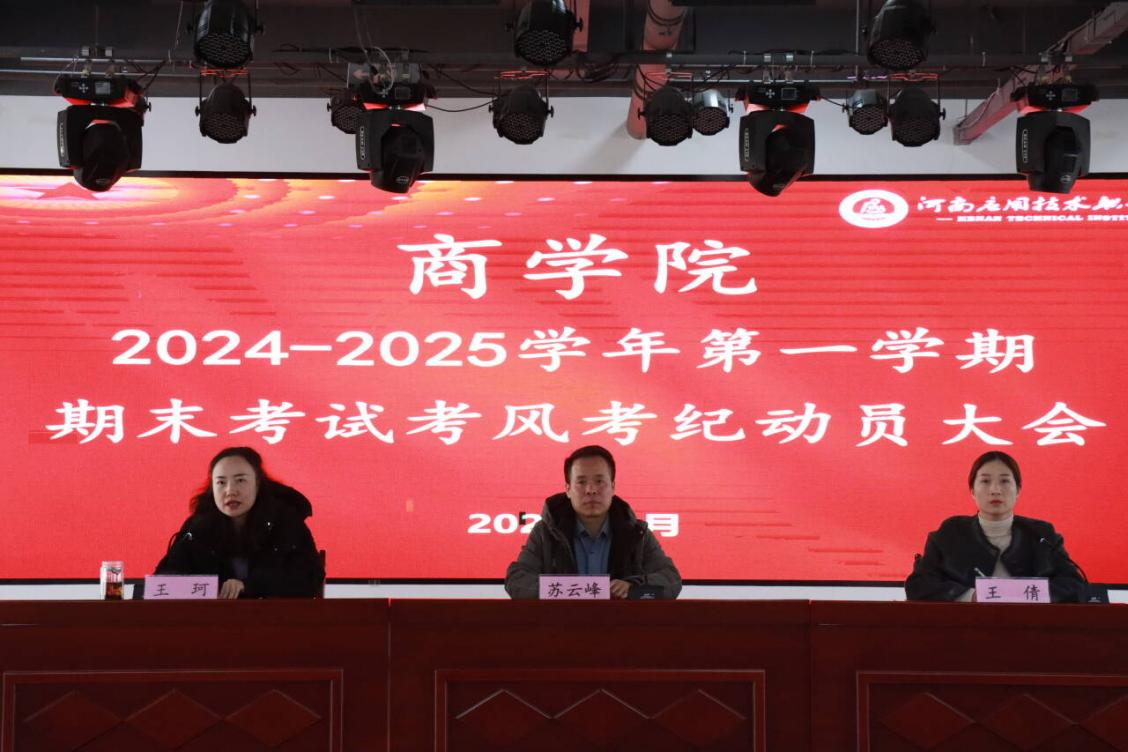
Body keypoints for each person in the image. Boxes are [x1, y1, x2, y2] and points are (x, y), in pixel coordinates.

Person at [905, 451, 1085, 603]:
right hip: (966, 628)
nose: (995, 490)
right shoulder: (951, 533)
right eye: (985, 481)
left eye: (1005, 481)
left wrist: (1025, 595)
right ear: (972, 491)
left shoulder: (1041, 534)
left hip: (1031, 628)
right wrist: (972, 596)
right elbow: (918, 585)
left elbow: (1075, 586)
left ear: (1018, 489)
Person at [505, 445, 682, 599]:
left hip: (621, 625)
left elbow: (671, 580)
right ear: (568, 489)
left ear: (613, 487)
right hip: (562, 625)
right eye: (581, 482)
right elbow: (517, 580)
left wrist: (633, 587)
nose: (591, 490)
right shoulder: (545, 532)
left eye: (599, 481)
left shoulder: (637, 533)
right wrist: (567, 590)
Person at [154, 447, 325, 599]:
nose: (230, 491)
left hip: (275, 620)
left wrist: (248, 586)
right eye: (221, 482)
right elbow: (163, 581)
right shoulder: (197, 527)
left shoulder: (286, 521)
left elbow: (309, 579)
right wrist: (210, 588)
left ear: (257, 483)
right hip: (212, 621)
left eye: (240, 480)